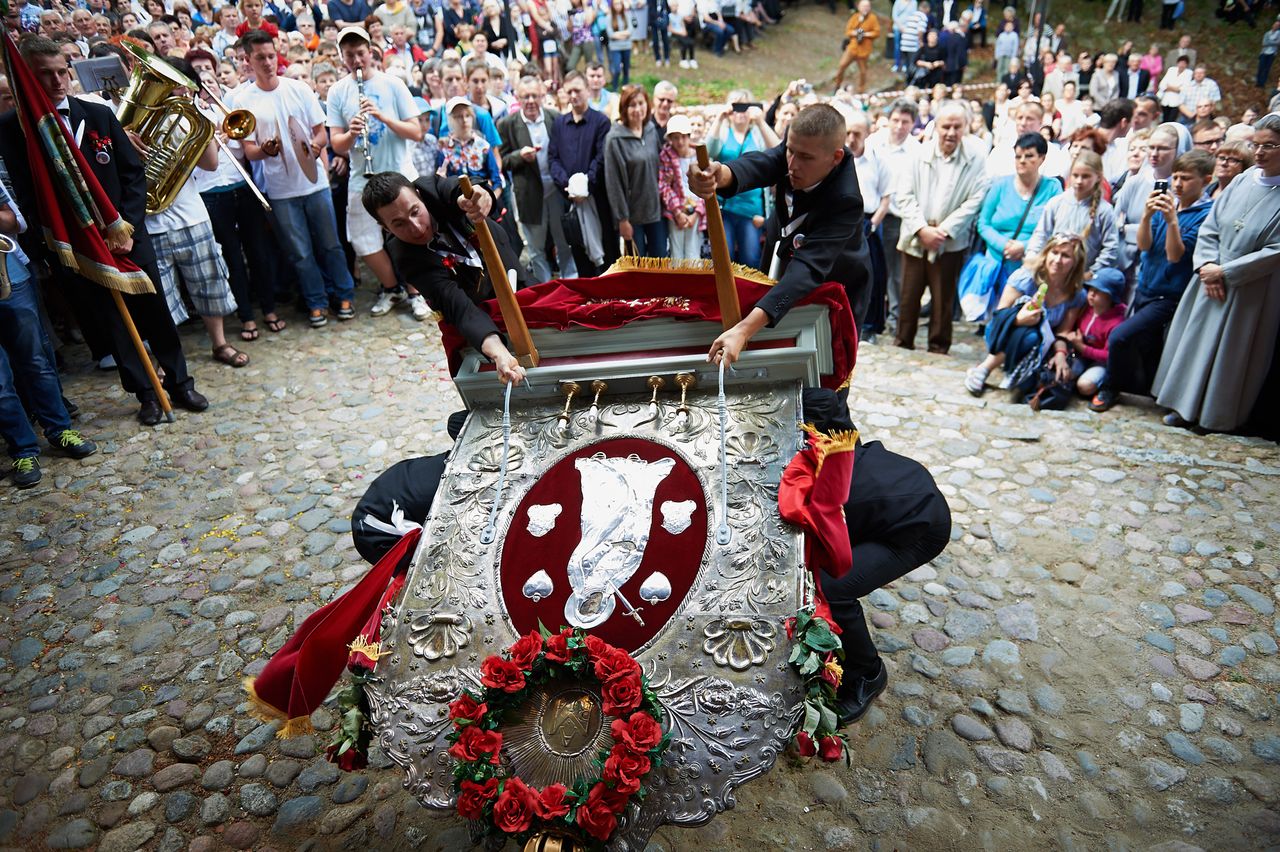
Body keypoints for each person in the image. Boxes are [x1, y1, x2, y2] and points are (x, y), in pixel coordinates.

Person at [0, 35, 206, 426]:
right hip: (76, 245)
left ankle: (179, 382)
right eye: (46, 75)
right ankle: (145, 391)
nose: (58, 81)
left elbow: (132, 174)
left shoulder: (95, 114)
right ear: (27, 76)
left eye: (63, 71)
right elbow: (26, 192)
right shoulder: (14, 130)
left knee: (156, 312)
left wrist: (127, 226)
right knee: (112, 322)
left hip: (125, 236)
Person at [689, 104, 868, 346]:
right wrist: (720, 175)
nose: (792, 165)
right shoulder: (797, 150)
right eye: (790, 151)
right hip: (783, 262)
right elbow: (761, 164)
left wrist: (743, 330)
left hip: (835, 286)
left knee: (827, 369)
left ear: (835, 158)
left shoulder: (846, 200)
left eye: (805, 158)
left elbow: (808, 270)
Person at [1151, 116, 1280, 433]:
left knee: (1230, 353)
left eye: (1269, 146)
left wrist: (1227, 271)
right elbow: (1211, 225)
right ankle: (1183, 406)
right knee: (1196, 343)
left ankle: (1214, 415)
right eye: (1256, 145)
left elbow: (1275, 249)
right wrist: (1207, 264)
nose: (1260, 152)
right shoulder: (1242, 180)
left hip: (1249, 285)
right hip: (1210, 275)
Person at [236, 29, 356, 329]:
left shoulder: (298, 89)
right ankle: (316, 300)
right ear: (248, 60)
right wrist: (265, 150)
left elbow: (320, 132)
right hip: (279, 189)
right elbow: (249, 152)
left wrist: (316, 146)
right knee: (300, 252)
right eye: (260, 57)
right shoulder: (244, 99)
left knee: (330, 244)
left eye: (271, 56)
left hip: (314, 182)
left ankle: (343, 295)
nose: (267, 62)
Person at [362, 171, 527, 385]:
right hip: (481, 316)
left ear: (420, 196)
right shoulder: (406, 257)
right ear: (385, 227)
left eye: (415, 211)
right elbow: (458, 306)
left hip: (519, 284)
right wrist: (498, 354)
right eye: (399, 224)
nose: (416, 227)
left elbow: (461, 190)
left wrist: (476, 196)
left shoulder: (433, 188)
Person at [1091, 149, 1214, 413]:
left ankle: (1110, 387)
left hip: (1169, 294)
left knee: (1121, 336)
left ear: (1205, 180)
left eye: (1186, 179)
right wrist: (1147, 215)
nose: (1178, 184)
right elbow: (1144, 245)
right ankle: (1150, 392)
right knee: (1148, 345)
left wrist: (1172, 221)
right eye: (1176, 177)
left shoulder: (1205, 214)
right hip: (1146, 286)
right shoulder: (1166, 204)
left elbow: (1174, 255)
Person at [326, 27, 428, 322]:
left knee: (411, 233)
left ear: (370, 52)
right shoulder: (337, 91)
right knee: (361, 240)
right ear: (342, 57)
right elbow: (337, 144)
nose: (356, 60)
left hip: (398, 173)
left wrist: (382, 117)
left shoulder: (392, 84)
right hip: (362, 177)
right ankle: (391, 288)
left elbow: (416, 131)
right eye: (349, 55)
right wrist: (351, 132)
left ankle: (416, 292)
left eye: (360, 53)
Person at [0, 184, 97, 488]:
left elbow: (15, 222)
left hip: (9, 279)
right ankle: (23, 449)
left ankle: (59, 430)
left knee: (36, 361)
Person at [893, 100, 989, 354]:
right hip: (915, 238)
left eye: (957, 127)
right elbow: (903, 195)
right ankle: (903, 343)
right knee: (909, 296)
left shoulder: (976, 159)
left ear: (966, 127)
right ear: (936, 126)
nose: (951, 132)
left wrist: (944, 231)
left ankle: (938, 347)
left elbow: (976, 199)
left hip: (950, 242)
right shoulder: (918, 153)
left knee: (942, 298)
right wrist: (922, 229)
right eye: (946, 126)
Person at [964, 233, 1088, 396]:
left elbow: (1062, 332)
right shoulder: (1026, 277)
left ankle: (1019, 374)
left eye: (1065, 256)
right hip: (1006, 334)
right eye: (1055, 252)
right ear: (1046, 253)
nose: (1058, 260)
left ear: (1076, 262)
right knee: (1030, 335)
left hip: (1045, 345)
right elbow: (999, 316)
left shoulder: (1076, 294)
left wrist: (1060, 354)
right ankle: (983, 369)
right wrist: (1018, 319)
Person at [967, 132, 1062, 320]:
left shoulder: (1052, 188)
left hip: (1030, 263)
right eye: (1018, 156)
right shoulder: (1001, 186)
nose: (1022, 161)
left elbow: (1055, 228)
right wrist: (1004, 245)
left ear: (1042, 159)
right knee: (994, 316)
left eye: (1029, 156)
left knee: (1021, 315)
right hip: (997, 261)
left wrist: (1024, 247)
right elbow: (983, 223)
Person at [498, 75, 576, 282]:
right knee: (536, 247)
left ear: (542, 96)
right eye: (526, 96)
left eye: (534, 95)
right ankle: (543, 287)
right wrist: (519, 156)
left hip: (556, 191)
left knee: (564, 241)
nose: (531, 100)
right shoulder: (507, 124)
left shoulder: (555, 117)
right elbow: (501, 162)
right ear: (518, 98)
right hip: (529, 194)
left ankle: (570, 281)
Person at [705, 91, 780, 271]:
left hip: (751, 209)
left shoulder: (757, 134)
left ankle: (749, 298)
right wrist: (720, 118)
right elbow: (708, 151)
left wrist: (761, 121)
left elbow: (778, 150)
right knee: (725, 256)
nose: (740, 112)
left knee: (751, 258)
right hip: (725, 207)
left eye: (744, 107)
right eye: (736, 107)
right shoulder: (724, 131)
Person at [549, 71, 615, 276]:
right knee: (580, 254)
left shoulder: (601, 122)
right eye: (569, 91)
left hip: (597, 198)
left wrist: (586, 186)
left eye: (578, 90)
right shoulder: (560, 124)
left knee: (607, 255)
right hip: (571, 201)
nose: (574, 95)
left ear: (587, 90)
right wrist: (568, 186)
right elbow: (553, 159)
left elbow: (602, 157)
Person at [869, 98, 920, 332]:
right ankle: (873, 313)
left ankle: (895, 315)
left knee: (895, 270)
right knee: (872, 267)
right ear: (888, 120)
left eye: (905, 122)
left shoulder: (916, 151)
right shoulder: (874, 143)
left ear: (913, 124)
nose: (899, 126)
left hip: (897, 215)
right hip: (871, 212)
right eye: (896, 120)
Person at [1027, 151, 1119, 280]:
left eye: (1086, 176)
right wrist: (1032, 256)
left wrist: (1092, 273)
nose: (1079, 181)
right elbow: (1041, 233)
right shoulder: (1056, 202)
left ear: (1098, 177)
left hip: (1083, 277)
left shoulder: (1104, 211)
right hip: (1053, 274)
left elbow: (1111, 248)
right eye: (1075, 175)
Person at [605, 84, 666, 258]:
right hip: (632, 216)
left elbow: (662, 165)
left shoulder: (650, 130)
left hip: (656, 211)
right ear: (624, 108)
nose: (638, 109)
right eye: (632, 105)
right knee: (637, 268)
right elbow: (613, 183)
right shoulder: (614, 139)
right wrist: (622, 219)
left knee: (661, 262)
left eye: (641, 103)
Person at [1055, 268, 1128, 403]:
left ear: (1112, 296)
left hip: (1100, 362)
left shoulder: (1117, 323)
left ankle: (1101, 384)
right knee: (1059, 374)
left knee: (1085, 387)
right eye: (1091, 289)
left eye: (1099, 291)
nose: (1091, 294)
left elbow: (1109, 356)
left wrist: (1082, 348)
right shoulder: (1085, 307)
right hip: (1080, 356)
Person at [658, 113, 705, 261]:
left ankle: (693, 284)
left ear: (689, 136)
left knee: (693, 254)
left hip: (695, 209)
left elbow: (707, 187)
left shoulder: (699, 155)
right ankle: (677, 284)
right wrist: (677, 212)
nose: (680, 141)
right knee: (676, 253)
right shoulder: (666, 155)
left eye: (684, 136)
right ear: (670, 139)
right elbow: (664, 185)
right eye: (675, 137)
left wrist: (697, 213)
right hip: (675, 210)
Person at [834, 0, 880, 93]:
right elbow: (848, 31)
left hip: (864, 50)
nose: (865, 8)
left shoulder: (873, 18)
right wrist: (856, 32)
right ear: (859, 7)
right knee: (842, 66)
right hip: (852, 48)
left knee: (863, 72)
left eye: (867, 6)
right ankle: (837, 86)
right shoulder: (855, 17)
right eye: (863, 6)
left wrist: (865, 34)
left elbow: (876, 32)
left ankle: (861, 91)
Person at [605, 0, 632, 91]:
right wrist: (623, 35)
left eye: (619, 4)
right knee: (617, 69)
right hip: (615, 47)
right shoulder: (609, 18)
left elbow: (630, 31)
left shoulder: (627, 16)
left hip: (626, 46)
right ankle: (615, 87)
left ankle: (626, 87)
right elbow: (610, 34)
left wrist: (617, 35)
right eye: (616, 4)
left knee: (626, 69)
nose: (618, 6)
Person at [1260, 17, 1280, 90]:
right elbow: (1264, 44)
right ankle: (1258, 82)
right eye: (1275, 25)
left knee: (1267, 69)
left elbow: (1278, 43)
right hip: (1264, 52)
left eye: (1277, 26)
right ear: (1272, 26)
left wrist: (1270, 42)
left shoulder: (1278, 34)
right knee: (1261, 68)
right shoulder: (1267, 33)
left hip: (1272, 54)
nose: (1275, 27)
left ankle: (1262, 83)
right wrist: (1273, 42)